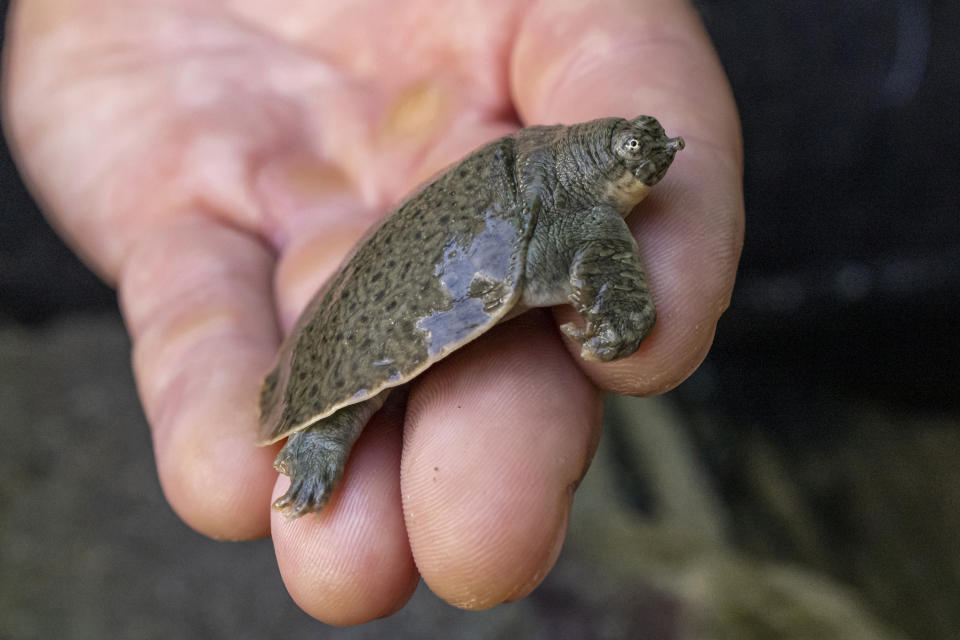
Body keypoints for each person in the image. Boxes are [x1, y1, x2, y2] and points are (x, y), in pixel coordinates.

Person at [3, 0, 743, 626]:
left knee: (478, 514)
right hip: (408, 270)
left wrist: (619, 302)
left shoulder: (576, 196)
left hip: (489, 218)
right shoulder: (585, 217)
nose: (651, 160)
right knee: (366, 387)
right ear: (601, 167)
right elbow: (607, 269)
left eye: (650, 151)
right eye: (635, 153)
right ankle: (322, 431)